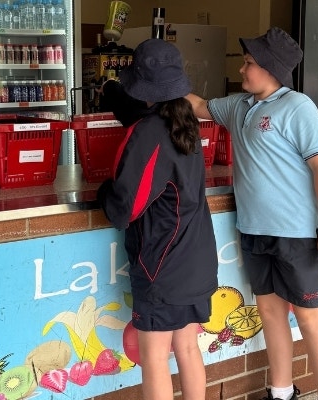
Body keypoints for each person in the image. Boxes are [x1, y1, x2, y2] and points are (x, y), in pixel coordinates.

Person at [185, 27, 318, 400]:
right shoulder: (238, 106)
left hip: (297, 235)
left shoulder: (298, 107)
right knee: (271, 314)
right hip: (254, 231)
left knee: (309, 316)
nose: (242, 70)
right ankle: (281, 391)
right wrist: (166, 82)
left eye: (249, 64)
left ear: (271, 69)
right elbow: (197, 107)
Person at [97, 38, 218, 400]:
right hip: (195, 258)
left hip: (162, 267)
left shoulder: (148, 132)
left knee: (154, 359)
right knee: (188, 350)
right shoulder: (187, 122)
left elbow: (124, 208)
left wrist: (103, 191)